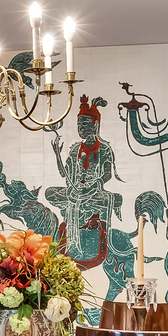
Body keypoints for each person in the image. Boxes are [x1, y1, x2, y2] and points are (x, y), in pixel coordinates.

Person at [47, 95, 122, 263]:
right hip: (75, 191)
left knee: (114, 198)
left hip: (94, 191)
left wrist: (93, 185)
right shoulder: (75, 149)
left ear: (95, 125)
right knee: (49, 193)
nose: (81, 129)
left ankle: (86, 224)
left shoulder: (104, 148)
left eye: (86, 125)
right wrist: (57, 154)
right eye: (79, 125)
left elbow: (108, 174)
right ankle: (72, 236)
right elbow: (64, 174)